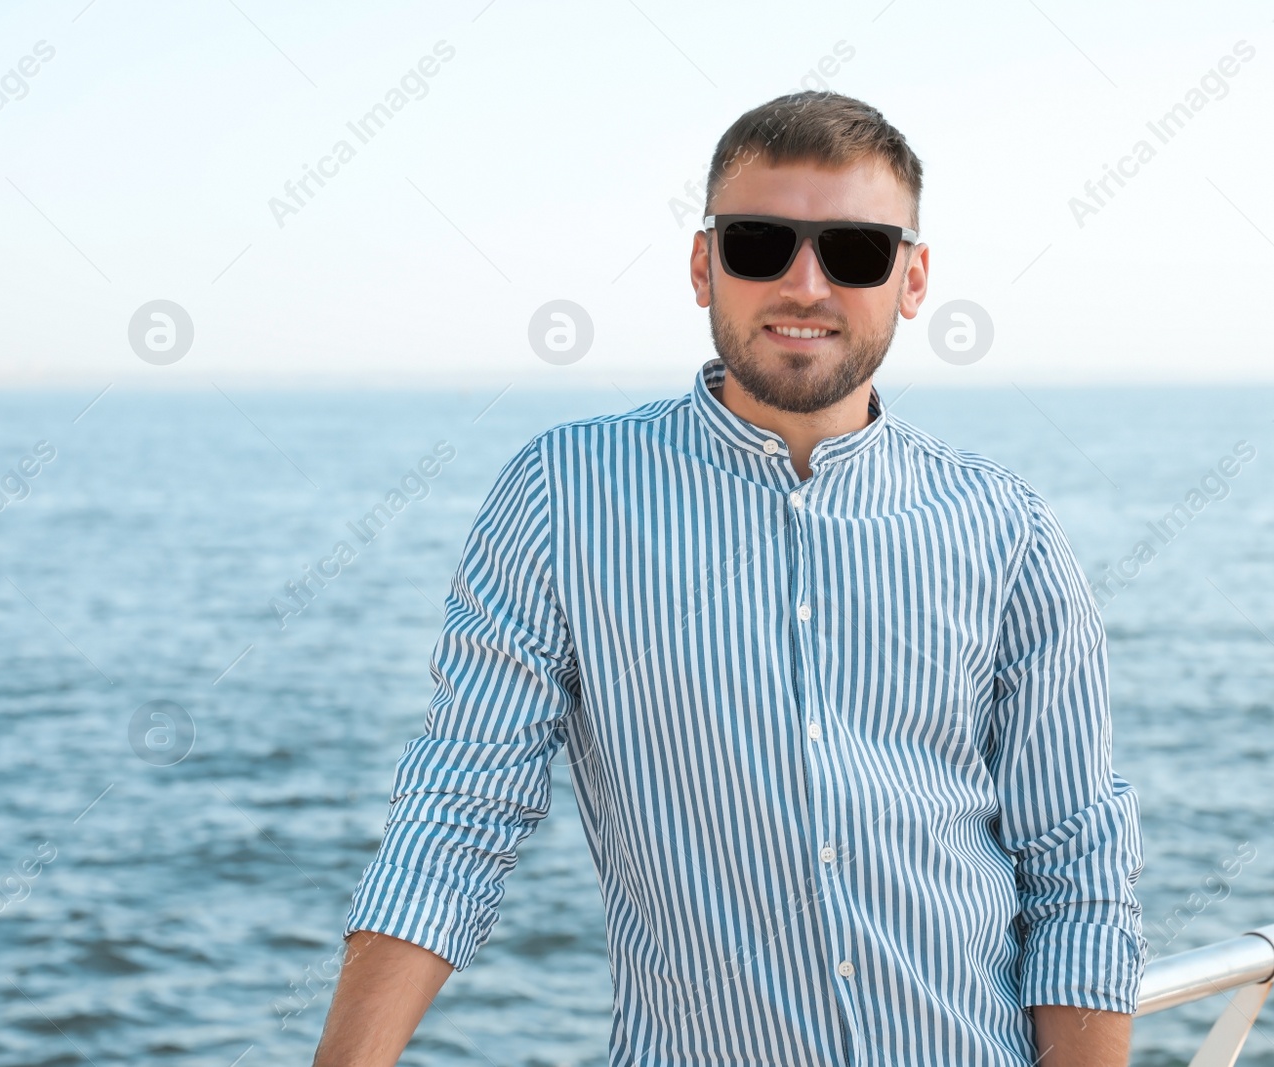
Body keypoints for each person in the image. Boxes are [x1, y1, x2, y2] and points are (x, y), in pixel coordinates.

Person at [313, 90, 1146, 1067]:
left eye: (856, 252)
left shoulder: (1008, 530)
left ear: (912, 279)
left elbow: (1075, 859)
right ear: (703, 264)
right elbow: (457, 818)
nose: (805, 284)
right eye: (760, 242)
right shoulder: (565, 495)